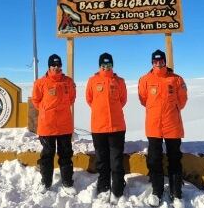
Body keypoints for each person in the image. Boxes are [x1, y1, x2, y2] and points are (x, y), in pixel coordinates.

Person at [138, 50, 188, 207]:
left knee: (175, 159)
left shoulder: (176, 79)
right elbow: (143, 99)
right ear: (152, 62)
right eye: (155, 61)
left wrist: (171, 109)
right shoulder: (145, 79)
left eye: (161, 61)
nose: (158, 64)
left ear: (165, 62)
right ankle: (156, 191)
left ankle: (176, 193)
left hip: (172, 125)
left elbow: (182, 100)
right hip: (153, 126)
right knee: (154, 160)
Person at [85, 52, 128, 203]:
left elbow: (123, 100)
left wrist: (112, 111)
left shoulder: (119, 81)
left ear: (112, 65)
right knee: (102, 160)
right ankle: (103, 186)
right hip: (98, 127)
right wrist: (100, 111)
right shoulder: (92, 81)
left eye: (108, 64)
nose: (106, 67)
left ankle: (117, 189)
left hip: (117, 127)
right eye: (103, 65)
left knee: (116, 161)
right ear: (99, 65)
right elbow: (89, 99)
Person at [31, 54, 77, 194]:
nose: (56, 68)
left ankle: (67, 183)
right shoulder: (40, 82)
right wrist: (47, 110)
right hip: (47, 126)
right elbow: (36, 100)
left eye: (58, 65)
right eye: (54, 65)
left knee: (66, 154)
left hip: (64, 125)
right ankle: (46, 182)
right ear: (49, 67)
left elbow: (72, 98)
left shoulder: (68, 81)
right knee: (47, 156)